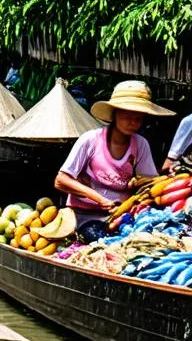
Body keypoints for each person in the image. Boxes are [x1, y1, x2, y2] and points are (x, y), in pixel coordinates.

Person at [55, 80, 173, 238]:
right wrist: (99, 199)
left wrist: (139, 183)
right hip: (85, 215)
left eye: (138, 118)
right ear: (114, 114)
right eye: (127, 115)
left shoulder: (140, 144)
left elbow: (150, 183)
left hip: (123, 214)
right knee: (99, 237)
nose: (132, 122)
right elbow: (61, 180)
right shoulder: (90, 140)